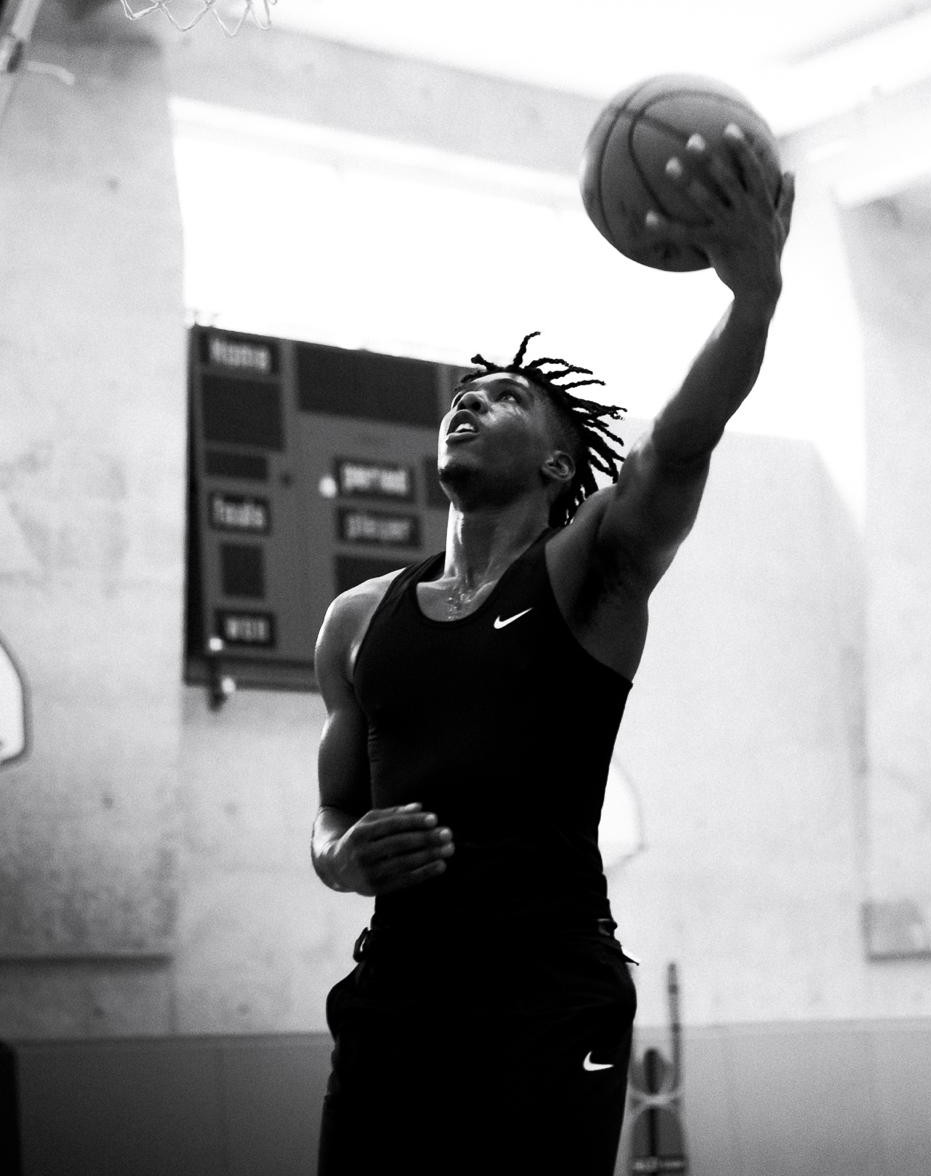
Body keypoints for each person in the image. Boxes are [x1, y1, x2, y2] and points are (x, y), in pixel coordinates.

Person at [311, 124, 794, 1175]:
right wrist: (338, 858)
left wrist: (751, 297)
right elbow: (333, 811)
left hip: (549, 989)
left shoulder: (592, 573)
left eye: (505, 399)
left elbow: (680, 440)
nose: (470, 401)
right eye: (464, 395)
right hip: (396, 986)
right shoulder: (355, 619)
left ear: (558, 462)